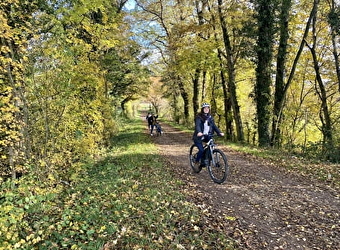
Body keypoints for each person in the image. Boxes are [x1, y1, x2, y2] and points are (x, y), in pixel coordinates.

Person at [192, 103, 224, 167]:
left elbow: (214, 126)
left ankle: (205, 159)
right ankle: (197, 161)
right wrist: (199, 132)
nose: (206, 109)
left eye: (208, 108)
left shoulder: (210, 117)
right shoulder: (199, 117)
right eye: (205, 108)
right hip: (199, 136)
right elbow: (197, 125)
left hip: (207, 135)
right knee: (201, 150)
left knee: (211, 146)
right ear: (202, 109)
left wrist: (219, 132)